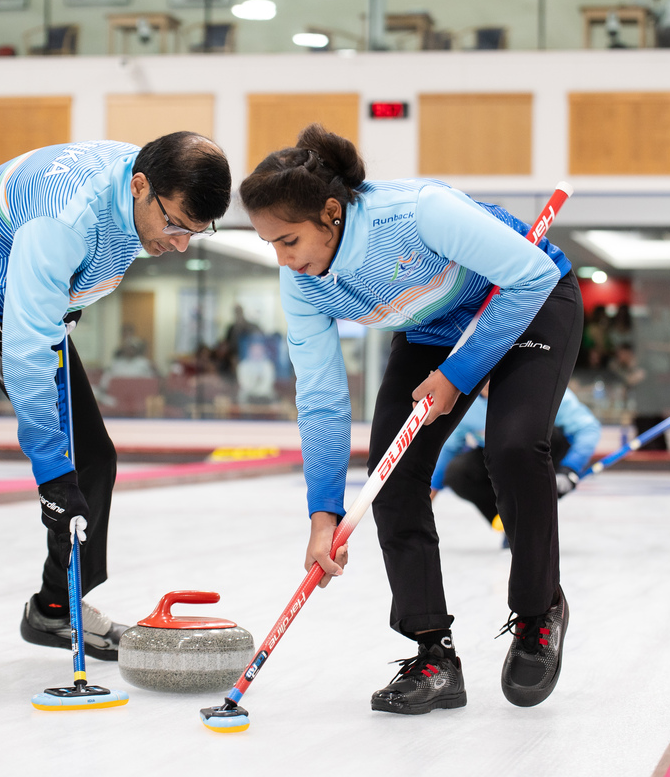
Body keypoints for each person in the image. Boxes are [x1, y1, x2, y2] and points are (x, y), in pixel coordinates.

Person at [239, 124, 582, 715]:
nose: (284, 259)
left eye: (289, 240)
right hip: (432, 328)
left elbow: (532, 276)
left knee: (514, 445)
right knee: (393, 481)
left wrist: (459, 373)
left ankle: (537, 613)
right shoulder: (303, 285)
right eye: (271, 244)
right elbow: (321, 396)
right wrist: (323, 515)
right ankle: (434, 655)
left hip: (528, 300)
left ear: (330, 213)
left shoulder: (420, 212)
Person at [0, 132, 230, 698]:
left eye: (195, 234)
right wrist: (51, 476)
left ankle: (55, 606)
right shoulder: (66, 217)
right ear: (139, 186)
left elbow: (55, 313)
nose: (180, 244)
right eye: (176, 225)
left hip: (23, 291)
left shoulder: (138, 208)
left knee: (95, 456)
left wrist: (68, 462)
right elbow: (28, 353)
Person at [431, 384, 602, 547]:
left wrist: (570, 468)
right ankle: (510, 521)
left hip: (544, 455)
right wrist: (427, 497)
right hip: (500, 457)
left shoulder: (542, 387)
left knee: (529, 444)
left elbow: (588, 428)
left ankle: (527, 520)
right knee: (457, 472)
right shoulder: (467, 402)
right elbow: (450, 449)